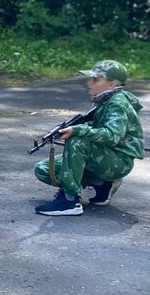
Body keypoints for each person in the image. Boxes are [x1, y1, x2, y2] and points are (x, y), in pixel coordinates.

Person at [33, 59, 144, 216]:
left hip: (118, 162)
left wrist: (78, 130)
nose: (89, 83)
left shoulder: (117, 103)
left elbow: (112, 136)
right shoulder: (105, 100)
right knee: (43, 170)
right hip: (105, 157)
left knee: (78, 141)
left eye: (96, 79)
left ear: (112, 84)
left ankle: (69, 201)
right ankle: (102, 184)